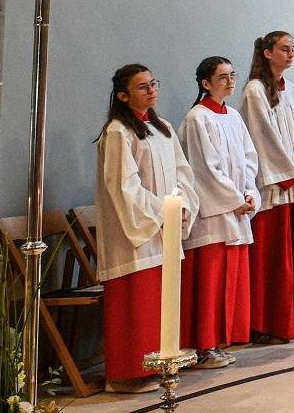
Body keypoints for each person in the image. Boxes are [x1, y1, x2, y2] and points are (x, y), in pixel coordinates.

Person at [95, 64, 199, 392]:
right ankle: (126, 374)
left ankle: (155, 365)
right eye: (142, 87)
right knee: (134, 304)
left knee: (158, 303)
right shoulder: (117, 132)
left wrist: (181, 204)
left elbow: (183, 171)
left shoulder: (163, 127)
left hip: (160, 229)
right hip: (135, 235)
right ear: (123, 96)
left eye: (153, 83)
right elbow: (123, 186)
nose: (151, 90)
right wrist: (162, 212)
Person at [240, 30, 294, 343]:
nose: (290, 54)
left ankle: (291, 317)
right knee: (271, 261)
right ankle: (266, 323)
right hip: (274, 189)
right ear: (267, 53)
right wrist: (292, 176)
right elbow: (263, 139)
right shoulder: (255, 91)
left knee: (292, 258)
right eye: (284, 49)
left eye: (293, 49)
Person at [178, 57, 258, 369]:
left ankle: (218, 341)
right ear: (205, 83)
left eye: (231, 75)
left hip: (235, 211)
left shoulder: (234, 116)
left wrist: (250, 192)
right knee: (209, 283)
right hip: (213, 216)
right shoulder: (198, 119)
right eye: (221, 77)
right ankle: (202, 345)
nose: (229, 81)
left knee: (229, 282)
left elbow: (250, 158)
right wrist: (234, 198)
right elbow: (204, 169)